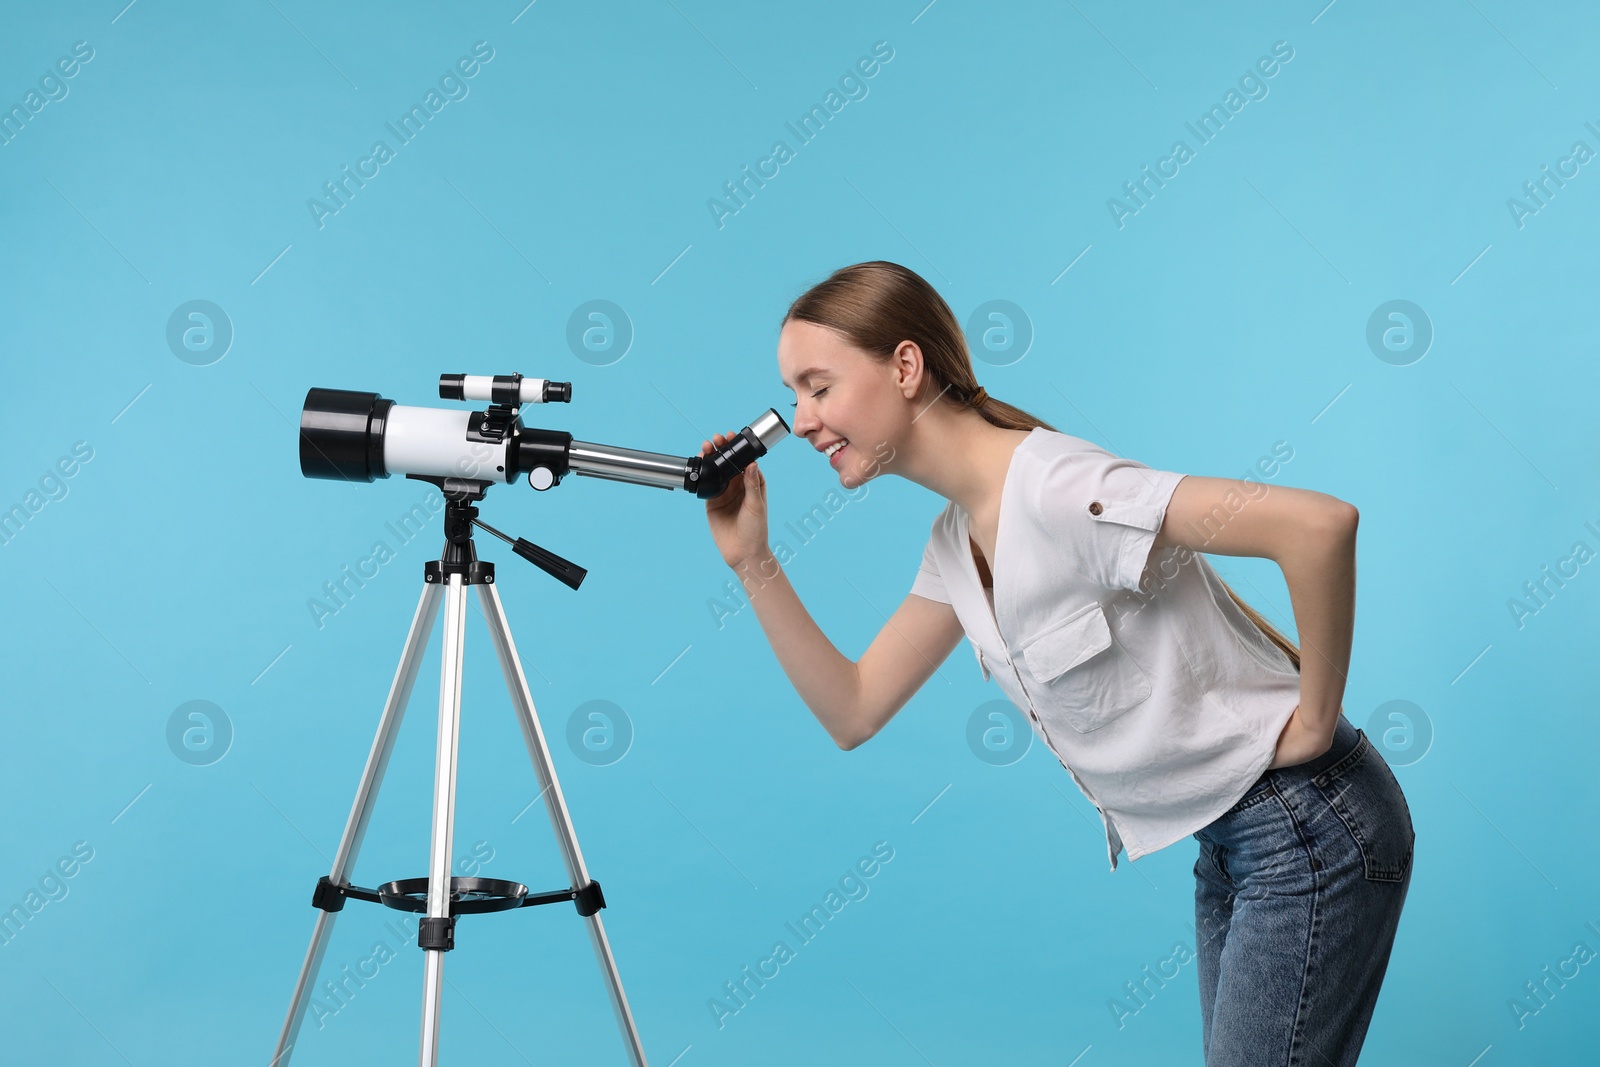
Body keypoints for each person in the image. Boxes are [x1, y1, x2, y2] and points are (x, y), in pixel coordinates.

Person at [698, 260, 1414, 1066]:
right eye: (794, 394)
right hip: (1232, 841)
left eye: (817, 386)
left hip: (1307, 826)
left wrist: (1315, 717)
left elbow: (1318, 526)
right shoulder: (955, 543)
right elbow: (853, 709)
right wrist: (752, 559)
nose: (800, 419)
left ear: (904, 366)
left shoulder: (1060, 488)